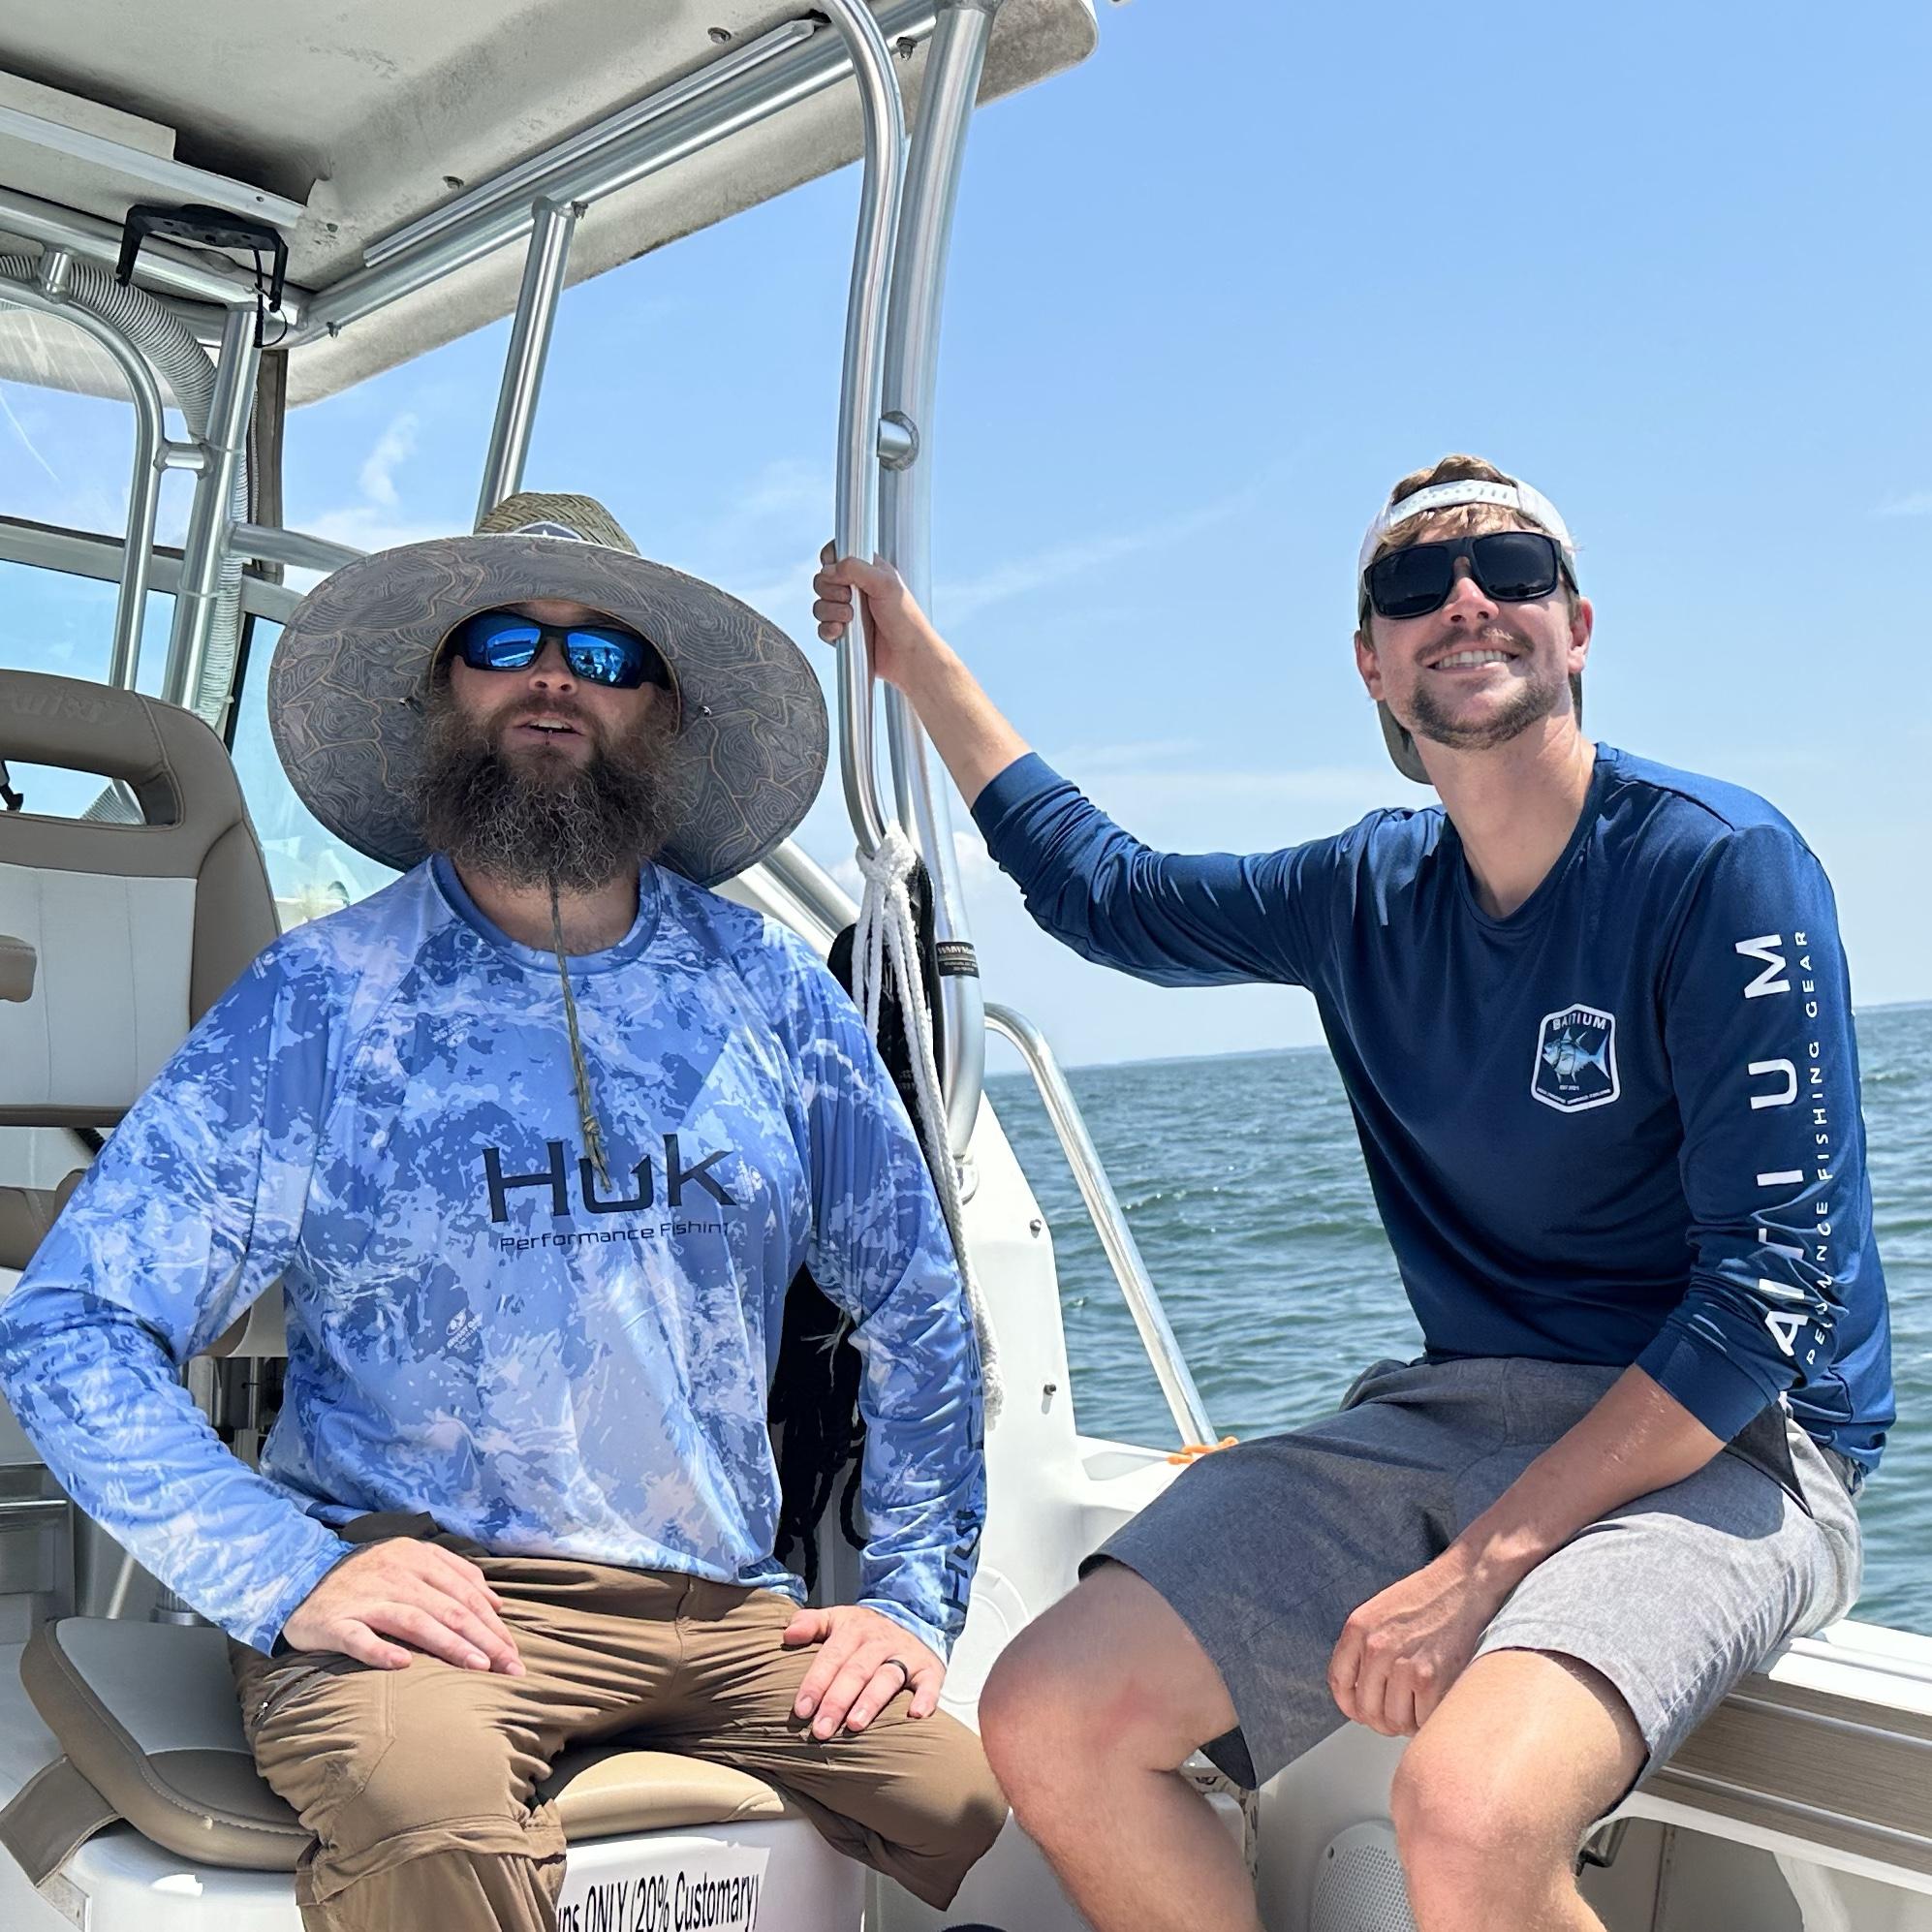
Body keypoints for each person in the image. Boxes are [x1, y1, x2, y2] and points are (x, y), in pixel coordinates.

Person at [811, 453, 1891, 1932]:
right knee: (1051, 1710)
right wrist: (912, 653)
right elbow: (1102, 892)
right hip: (1463, 1406)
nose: (1465, 598)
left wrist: (1483, 1565)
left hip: (1735, 1438)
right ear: (1372, 662)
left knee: (1465, 1810)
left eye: (1510, 569)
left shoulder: (1718, 866)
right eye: (1412, 581)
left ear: (1574, 625)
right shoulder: (1363, 894)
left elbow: (1761, 1302)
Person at [0, 492, 1003, 1932]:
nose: (551, 679)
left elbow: (917, 1302)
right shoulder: (320, 997)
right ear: (441, 690)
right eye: (503, 642)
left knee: (975, 1803)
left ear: (663, 713)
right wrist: (286, 1570)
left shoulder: (771, 990)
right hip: (436, 1600)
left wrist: (910, 1597)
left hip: (727, 1608)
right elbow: (72, 1323)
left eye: (603, 656)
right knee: (433, 1819)